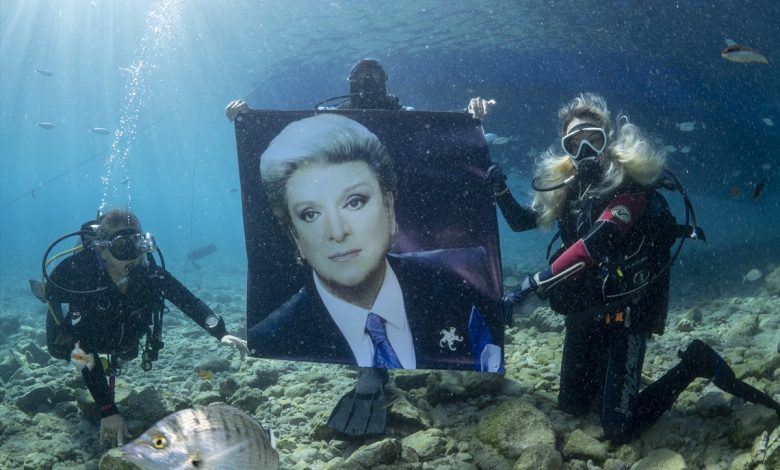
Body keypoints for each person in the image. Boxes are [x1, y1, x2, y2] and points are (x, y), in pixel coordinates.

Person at [500, 92, 780, 442]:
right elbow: (522, 221)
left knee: (618, 429)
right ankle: (608, 374)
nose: (585, 151)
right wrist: (499, 190)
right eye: (575, 143)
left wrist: (529, 286)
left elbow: (594, 245)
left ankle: (693, 364)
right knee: (572, 406)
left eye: (593, 139)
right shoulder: (569, 191)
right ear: (566, 149)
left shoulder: (630, 187)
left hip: (626, 317)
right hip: (585, 312)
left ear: (608, 141)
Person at [246, 113, 501, 372]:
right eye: (310, 214)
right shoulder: (271, 340)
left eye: (354, 202)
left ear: (389, 209)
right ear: (295, 236)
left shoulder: (464, 281)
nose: (337, 232)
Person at [43, 209, 249, 447]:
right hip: (90, 332)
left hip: (119, 332)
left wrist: (220, 333)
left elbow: (187, 300)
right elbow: (84, 353)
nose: (132, 256)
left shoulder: (149, 274)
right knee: (61, 350)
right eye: (121, 246)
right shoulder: (85, 279)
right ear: (102, 250)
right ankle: (52, 309)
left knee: (127, 350)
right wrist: (108, 411)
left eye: (138, 244)